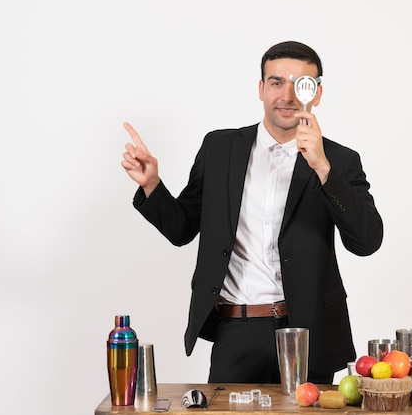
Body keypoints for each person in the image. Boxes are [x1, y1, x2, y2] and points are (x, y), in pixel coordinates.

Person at [121, 41, 383, 384]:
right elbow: (182, 228)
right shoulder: (219, 148)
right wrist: (152, 186)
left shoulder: (340, 160)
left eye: (300, 84)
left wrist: (322, 168)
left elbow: (366, 241)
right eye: (276, 82)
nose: (287, 95)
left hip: (310, 333)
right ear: (261, 89)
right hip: (236, 328)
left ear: (316, 94)